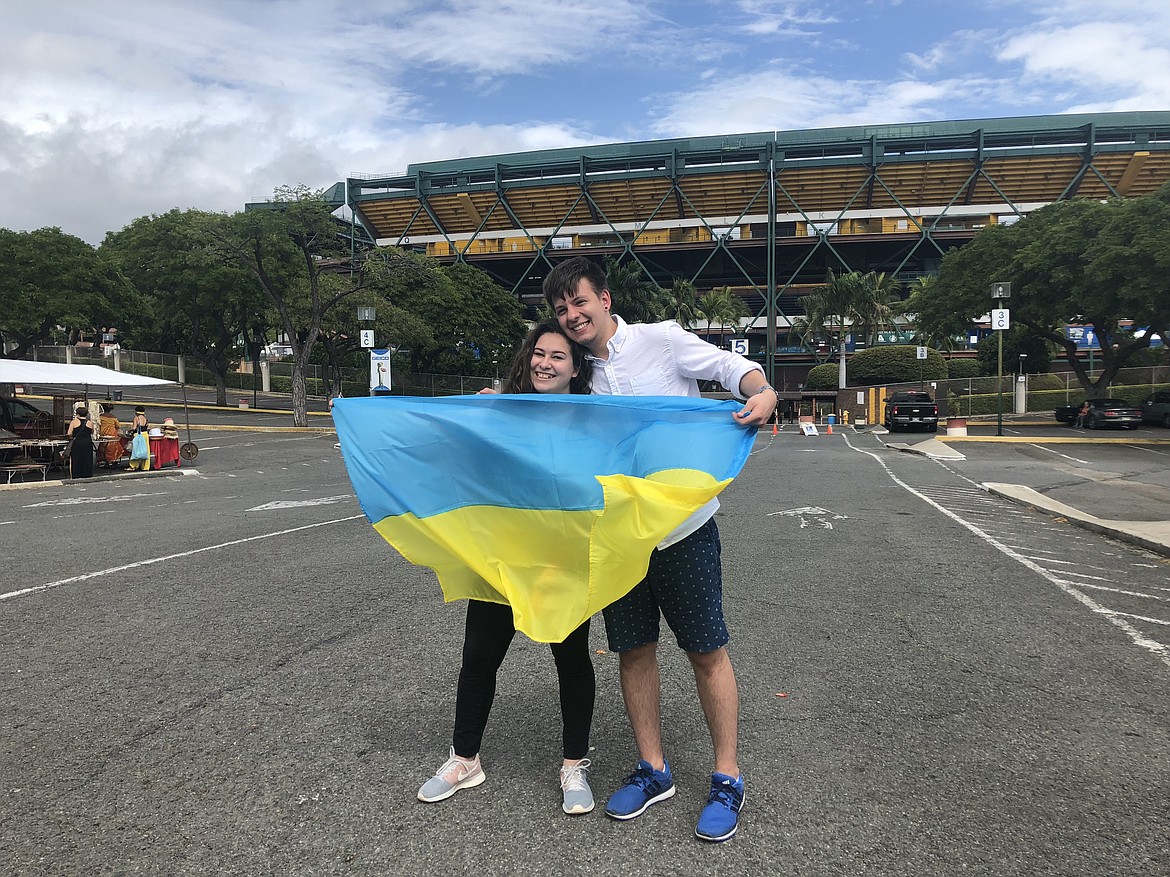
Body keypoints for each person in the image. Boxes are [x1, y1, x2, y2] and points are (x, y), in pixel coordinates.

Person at [544, 256, 775, 843]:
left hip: (684, 529)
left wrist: (763, 390)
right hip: (618, 538)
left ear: (605, 299)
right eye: (561, 309)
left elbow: (731, 368)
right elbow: (531, 405)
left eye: (580, 302)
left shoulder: (662, 342)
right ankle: (654, 769)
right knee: (634, 651)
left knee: (706, 651)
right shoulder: (576, 374)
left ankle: (727, 776)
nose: (572, 316)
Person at [417, 319, 599, 815]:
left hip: (560, 560)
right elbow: (456, 453)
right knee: (478, 657)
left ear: (576, 367)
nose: (545, 363)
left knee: (572, 661)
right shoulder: (502, 410)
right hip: (501, 558)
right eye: (539, 353)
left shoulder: (592, 418)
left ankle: (573, 764)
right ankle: (464, 758)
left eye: (558, 356)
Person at [66, 405, 96, 479]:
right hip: (87, 443)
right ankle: (87, 474)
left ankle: (76, 474)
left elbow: (69, 433)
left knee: (76, 460)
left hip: (77, 443)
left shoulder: (74, 422)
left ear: (77, 414)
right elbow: (92, 432)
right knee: (87, 459)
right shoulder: (90, 423)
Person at [128, 405, 151, 471]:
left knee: (136, 451)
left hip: (138, 434)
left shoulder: (136, 418)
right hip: (145, 435)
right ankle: (145, 467)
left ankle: (134, 466)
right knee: (145, 450)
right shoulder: (145, 419)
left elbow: (134, 428)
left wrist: (130, 431)